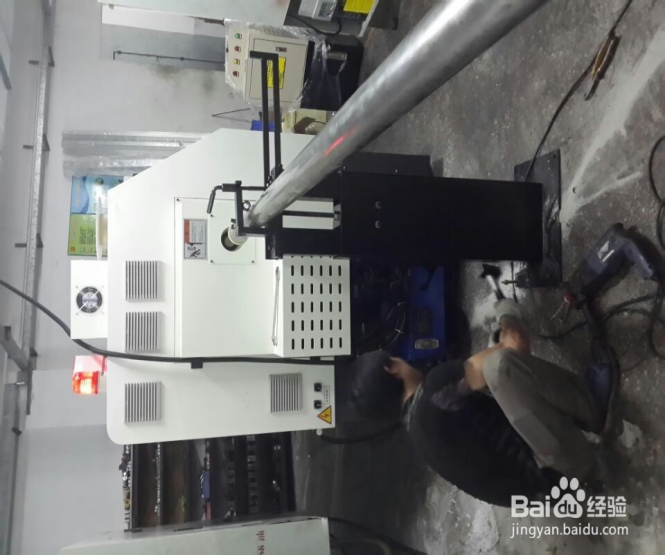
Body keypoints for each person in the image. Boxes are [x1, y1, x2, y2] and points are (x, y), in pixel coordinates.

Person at [350, 300, 613, 507]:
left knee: (490, 372)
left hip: (547, 495)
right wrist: (507, 312)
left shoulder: (419, 434)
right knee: (501, 366)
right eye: (397, 359)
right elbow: (516, 345)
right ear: (392, 369)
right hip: (562, 472)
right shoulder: (434, 388)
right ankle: (592, 405)